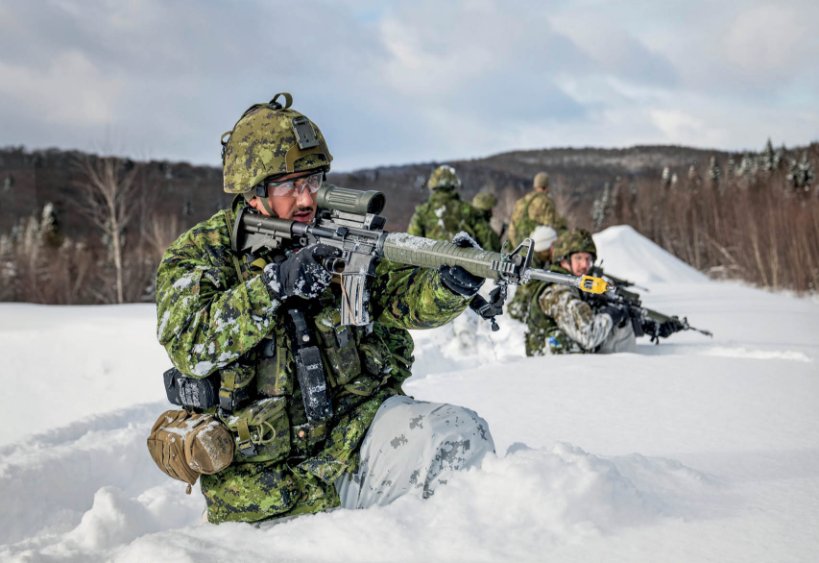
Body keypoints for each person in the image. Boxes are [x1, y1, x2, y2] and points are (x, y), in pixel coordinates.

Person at [154, 93, 494, 524]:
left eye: (313, 181)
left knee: (461, 436)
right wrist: (274, 286)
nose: (305, 199)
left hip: (357, 439)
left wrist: (449, 284)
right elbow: (191, 343)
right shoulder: (202, 254)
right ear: (253, 191)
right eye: (288, 186)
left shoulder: (333, 232)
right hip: (266, 491)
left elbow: (401, 297)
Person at [520, 228, 636, 356]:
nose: (584, 265)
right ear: (563, 260)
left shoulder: (577, 285)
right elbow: (589, 335)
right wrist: (610, 314)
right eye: (578, 258)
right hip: (550, 369)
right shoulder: (557, 291)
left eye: (588, 259)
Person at [407, 164, 497, 250]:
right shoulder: (469, 210)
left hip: (431, 264)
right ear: (454, 184)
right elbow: (489, 243)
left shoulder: (422, 212)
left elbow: (412, 247)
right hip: (464, 264)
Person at [506, 171, 567, 248]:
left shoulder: (521, 201)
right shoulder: (546, 201)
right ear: (547, 186)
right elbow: (552, 226)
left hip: (519, 245)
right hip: (537, 247)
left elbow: (512, 226)